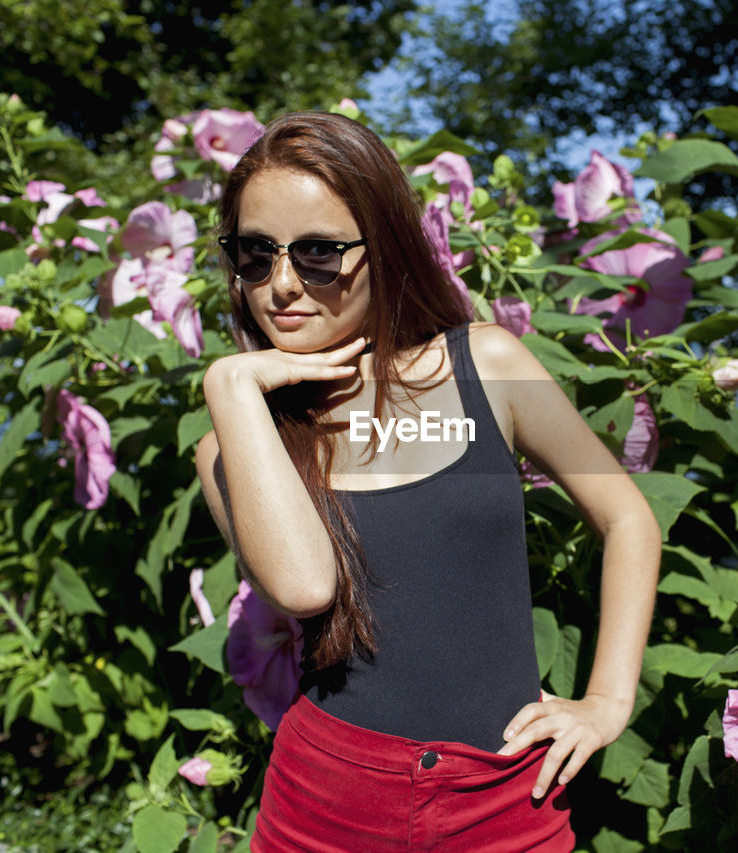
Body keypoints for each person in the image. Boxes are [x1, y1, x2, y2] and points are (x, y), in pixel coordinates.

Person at [195, 111, 661, 852]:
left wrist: (607, 699)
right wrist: (230, 385)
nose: (280, 285)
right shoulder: (231, 444)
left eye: (317, 253)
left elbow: (628, 517)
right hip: (322, 805)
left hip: (506, 799)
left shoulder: (486, 364)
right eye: (255, 256)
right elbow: (307, 587)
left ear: (382, 246)